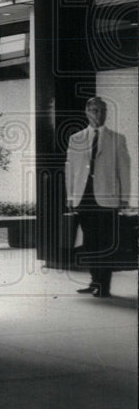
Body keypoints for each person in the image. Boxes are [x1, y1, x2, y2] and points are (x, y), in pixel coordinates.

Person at [65, 97, 131, 298]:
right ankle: (95, 280)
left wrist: (125, 198)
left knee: (106, 243)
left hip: (108, 199)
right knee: (90, 242)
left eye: (102, 111)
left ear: (106, 113)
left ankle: (104, 286)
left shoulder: (117, 139)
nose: (98, 114)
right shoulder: (75, 139)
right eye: (94, 110)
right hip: (84, 198)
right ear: (87, 112)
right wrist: (70, 197)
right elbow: (71, 170)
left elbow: (124, 171)